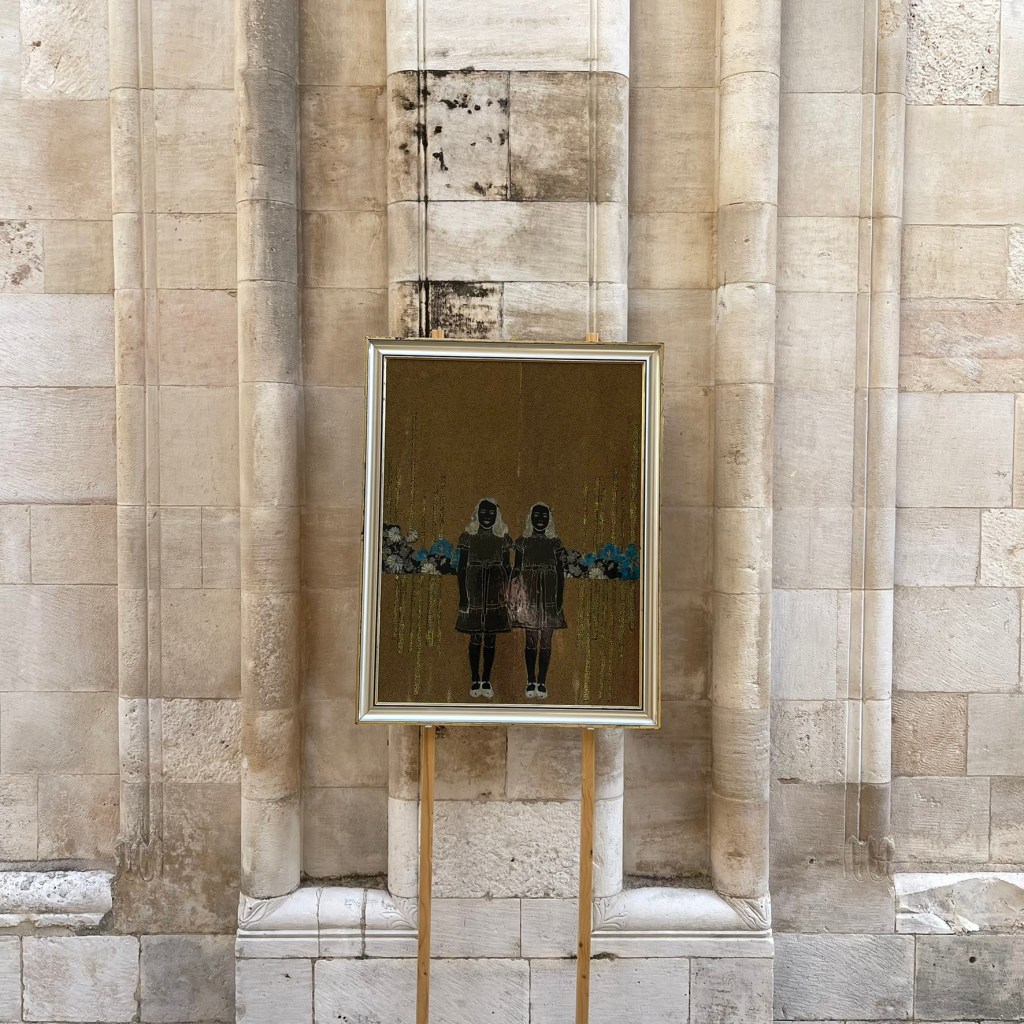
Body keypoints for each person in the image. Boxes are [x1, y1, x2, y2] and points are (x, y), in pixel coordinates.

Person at [456, 498, 513, 699]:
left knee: (490, 636)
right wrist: (464, 596)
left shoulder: (502, 538)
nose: (487, 516)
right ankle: (474, 677)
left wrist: (509, 594)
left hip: (495, 590)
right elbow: (461, 568)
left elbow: (507, 567)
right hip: (474, 589)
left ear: (497, 516)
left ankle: (486, 678)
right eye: (483, 512)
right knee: (475, 636)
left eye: (491, 513)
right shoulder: (468, 537)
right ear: (476, 514)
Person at [511, 502, 566, 700]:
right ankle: (530, 680)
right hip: (529, 596)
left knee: (546, 641)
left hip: (549, 596)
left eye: (544, 516)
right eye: (536, 515)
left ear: (549, 519)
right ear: (530, 518)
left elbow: (559, 572)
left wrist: (559, 597)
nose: (540, 519)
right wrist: (514, 595)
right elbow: (516, 570)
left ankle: (542, 681)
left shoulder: (555, 543)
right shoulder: (522, 542)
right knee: (531, 639)